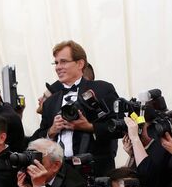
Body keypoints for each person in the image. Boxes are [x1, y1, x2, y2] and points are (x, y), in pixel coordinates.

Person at [31, 40, 120, 176]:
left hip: (95, 171)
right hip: (60, 174)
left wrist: (89, 127)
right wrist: (52, 131)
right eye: (56, 63)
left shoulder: (102, 89)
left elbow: (119, 127)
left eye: (64, 61)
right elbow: (40, 136)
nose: (58, 67)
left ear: (80, 64)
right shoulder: (50, 102)